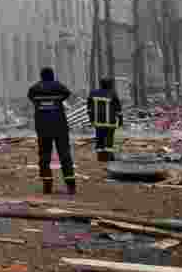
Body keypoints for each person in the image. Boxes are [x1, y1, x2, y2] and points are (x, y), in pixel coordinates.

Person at [27, 67, 76, 195]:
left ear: (41, 76)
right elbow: (67, 93)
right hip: (59, 126)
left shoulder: (34, 89)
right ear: (52, 75)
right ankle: (71, 185)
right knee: (64, 155)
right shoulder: (58, 87)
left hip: (43, 127)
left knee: (44, 156)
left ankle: (47, 185)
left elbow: (31, 98)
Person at [87, 77, 123, 162]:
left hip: (98, 122)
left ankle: (101, 157)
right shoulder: (112, 93)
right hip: (110, 122)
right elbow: (118, 109)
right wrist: (120, 120)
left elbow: (89, 109)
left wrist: (91, 119)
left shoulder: (93, 93)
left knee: (99, 138)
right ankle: (109, 157)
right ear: (110, 84)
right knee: (109, 139)